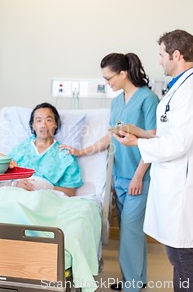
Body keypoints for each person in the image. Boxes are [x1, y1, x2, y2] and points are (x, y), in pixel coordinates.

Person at [114, 30, 193, 292]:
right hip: (174, 184)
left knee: (183, 257)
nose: (159, 61)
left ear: (176, 55)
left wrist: (138, 143)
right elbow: (168, 133)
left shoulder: (191, 92)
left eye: (162, 55)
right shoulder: (180, 88)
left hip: (182, 189)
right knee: (178, 256)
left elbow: (179, 143)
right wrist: (140, 132)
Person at [60, 53, 159, 292]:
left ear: (123, 73)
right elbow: (110, 136)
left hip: (140, 176)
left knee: (130, 232)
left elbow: (154, 138)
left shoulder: (148, 99)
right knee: (130, 230)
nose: (108, 83)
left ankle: (131, 286)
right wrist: (82, 151)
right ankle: (138, 278)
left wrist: (138, 175)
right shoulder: (117, 102)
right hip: (120, 175)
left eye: (109, 78)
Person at [8, 102, 83, 197]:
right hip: (17, 196)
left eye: (48, 120)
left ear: (56, 124)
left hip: (47, 199)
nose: (43, 125)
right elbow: (1, 178)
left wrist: (47, 188)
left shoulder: (65, 155)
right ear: (33, 125)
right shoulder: (20, 150)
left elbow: (70, 192)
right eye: (39, 120)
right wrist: (15, 184)